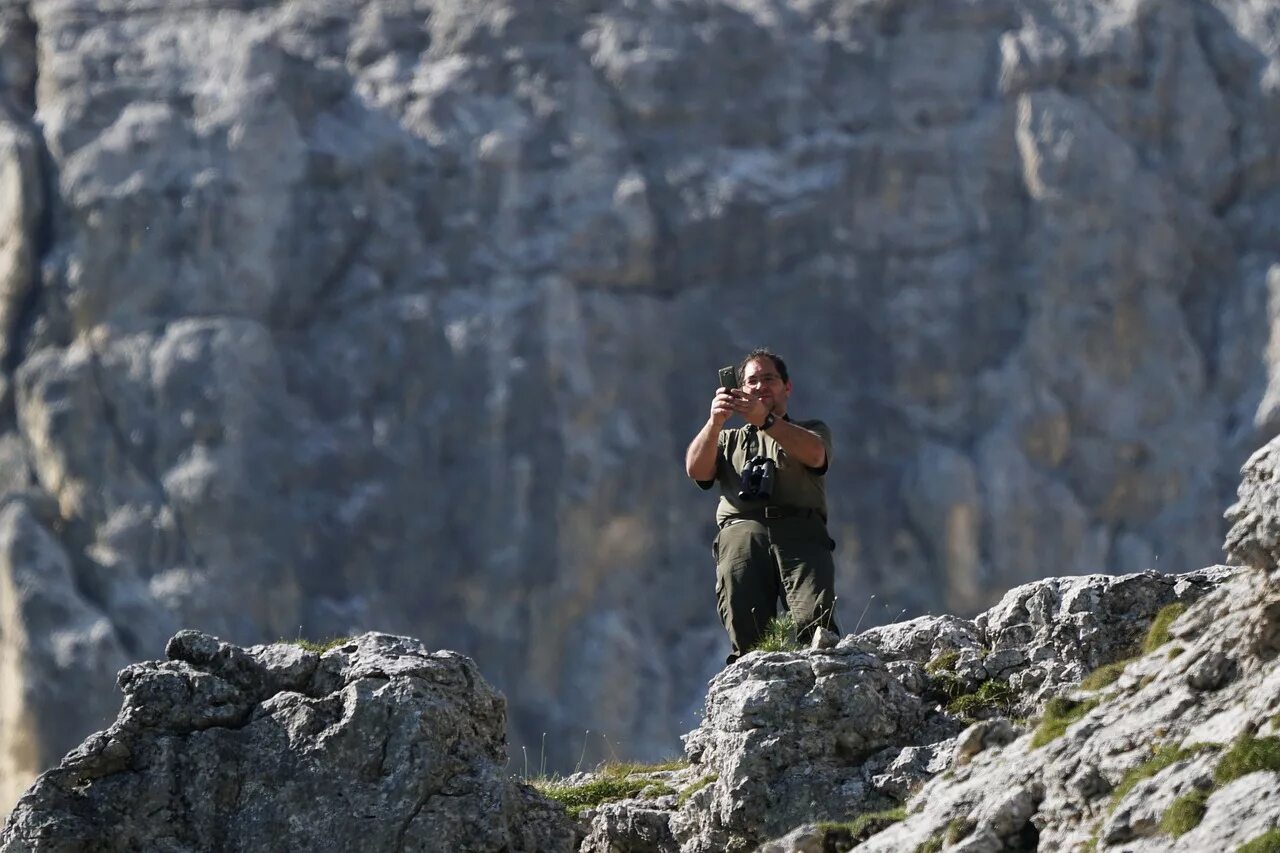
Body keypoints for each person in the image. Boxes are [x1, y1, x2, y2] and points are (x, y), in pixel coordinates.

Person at [685, 348, 839, 664]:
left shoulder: (810, 429)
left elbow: (815, 455)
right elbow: (697, 470)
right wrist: (715, 422)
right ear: (740, 389)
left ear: (787, 387)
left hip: (799, 532)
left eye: (769, 379)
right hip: (741, 536)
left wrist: (766, 421)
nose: (760, 386)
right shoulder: (727, 440)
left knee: (816, 623)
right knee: (746, 628)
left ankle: (826, 684)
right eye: (752, 381)